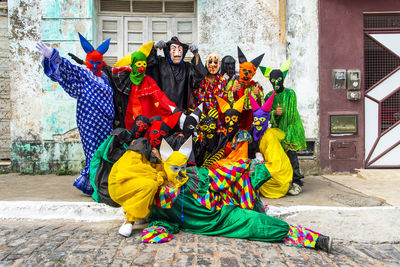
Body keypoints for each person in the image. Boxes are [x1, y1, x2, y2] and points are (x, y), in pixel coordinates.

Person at [36, 33, 114, 195]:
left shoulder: (106, 77)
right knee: (92, 154)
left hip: (106, 123)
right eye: (91, 62)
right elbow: (68, 70)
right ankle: (93, 186)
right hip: (89, 122)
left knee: (105, 153)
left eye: (97, 62)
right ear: (87, 61)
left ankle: (103, 183)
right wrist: (53, 57)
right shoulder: (83, 75)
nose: (94, 65)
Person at [109, 137, 192, 237]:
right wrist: (161, 180)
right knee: (149, 186)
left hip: (136, 186)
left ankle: (138, 214)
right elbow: (139, 172)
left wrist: (159, 159)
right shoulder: (131, 156)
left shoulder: (149, 158)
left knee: (153, 186)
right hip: (120, 188)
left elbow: (162, 171)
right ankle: (129, 221)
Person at [260, 59, 307, 195]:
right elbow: (267, 114)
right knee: (280, 157)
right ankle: (284, 181)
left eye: (278, 79)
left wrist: (289, 131)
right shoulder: (269, 96)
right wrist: (275, 113)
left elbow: (292, 113)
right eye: (273, 80)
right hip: (277, 131)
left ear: (283, 79)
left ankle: (297, 181)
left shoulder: (290, 94)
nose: (276, 82)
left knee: (291, 154)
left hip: (290, 128)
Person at [106, 42, 176, 130]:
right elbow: (108, 70)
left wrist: (173, 110)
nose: (142, 67)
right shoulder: (125, 76)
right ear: (133, 65)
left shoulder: (148, 80)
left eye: (144, 64)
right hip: (128, 114)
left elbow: (159, 96)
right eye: (139, 64)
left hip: (146, 116)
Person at [249, 92, 293, 198]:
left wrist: (258, 168)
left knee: (252, 175)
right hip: (267, 164)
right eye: (256, 120)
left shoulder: (269, 137)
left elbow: (276, 164)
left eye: (261, 120)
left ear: (266, 120)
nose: (258, 123)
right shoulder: (255, 134)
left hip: (278, 176)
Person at [146, 36, 207, 110]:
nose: (177, 53)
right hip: (162, 109)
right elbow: (148, 65)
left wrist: (196, 55)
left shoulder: (187, 67)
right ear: (168, 52)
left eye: (180, 50)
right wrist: (154, 48)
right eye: (173, 49)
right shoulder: (160, 63)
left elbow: (200, 75)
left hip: (181, 110)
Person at [226, 47, 265, 130]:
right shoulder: (232, 83)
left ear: (253, 74)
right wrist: (233, 91)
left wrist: (258, 96)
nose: (246, 74)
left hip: (250, 121)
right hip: (235, 120)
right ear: (240, 70)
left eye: (249, 72)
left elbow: (261, 107)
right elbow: (226, 102)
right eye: (244, 71)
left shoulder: (255, 86)